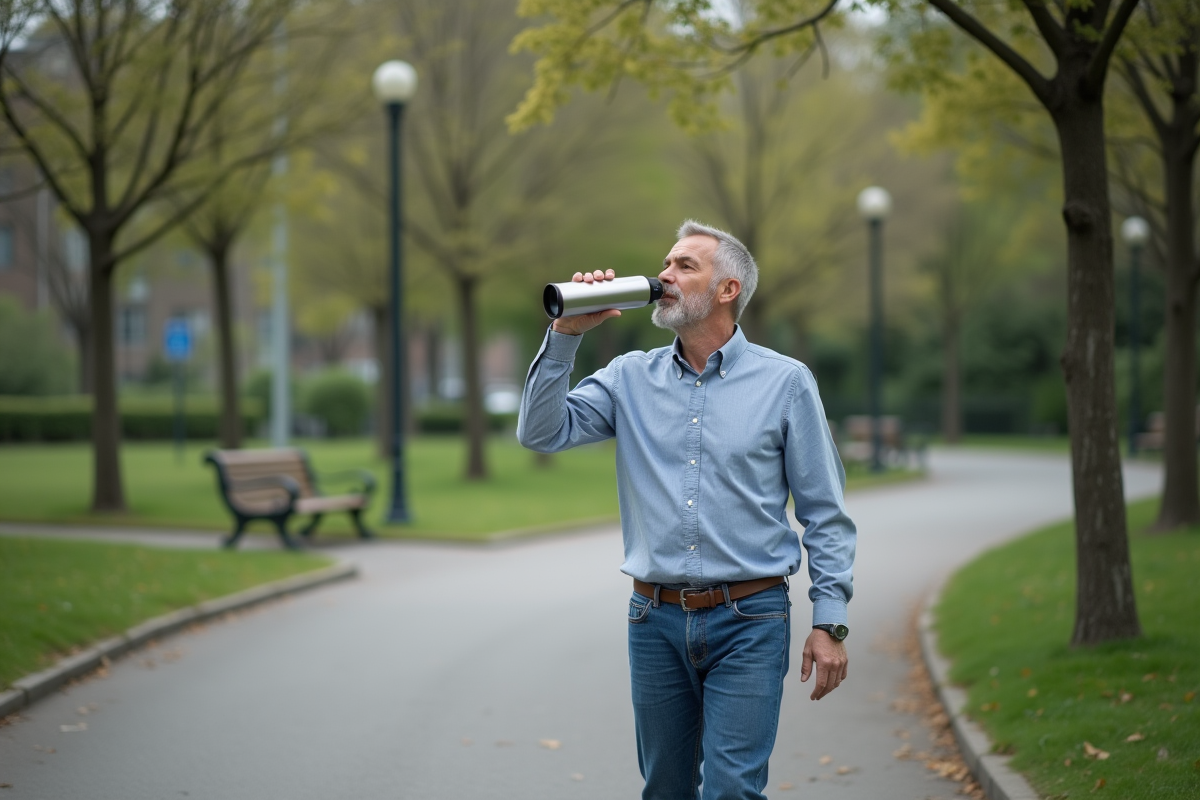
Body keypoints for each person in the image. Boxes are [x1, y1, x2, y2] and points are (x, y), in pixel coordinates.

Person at [517, 220, 856, 800]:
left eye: (684, 265)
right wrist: (565, 334)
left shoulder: (786, 383)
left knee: (732, 789)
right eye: (666, 263)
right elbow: (541, 432)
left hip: (751, 620)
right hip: (654, 621)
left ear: (728, 290)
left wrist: (829, 621)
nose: (664, 274)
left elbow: (825, 514)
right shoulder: (629, 378)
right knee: (665, 789)